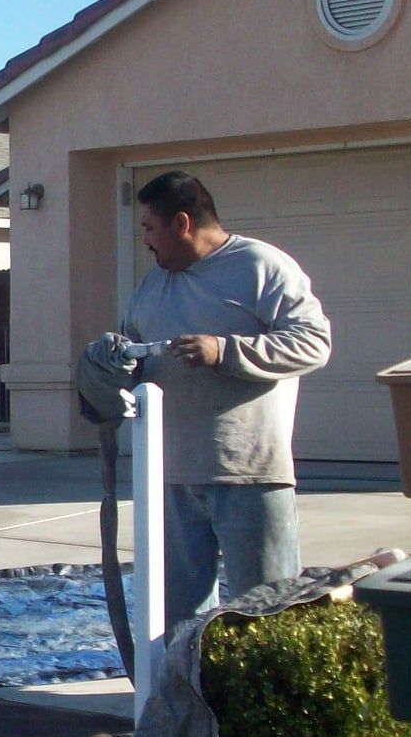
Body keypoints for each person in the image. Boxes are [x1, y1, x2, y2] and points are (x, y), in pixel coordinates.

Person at [84, 170, 332, 626]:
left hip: (249, 474)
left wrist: (226, 351)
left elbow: (314, 343)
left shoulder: (261, 266)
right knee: (176, 621)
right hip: (171, 477)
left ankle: (261, 698)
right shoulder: (152, 286)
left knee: (267, 613)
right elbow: (134, 357)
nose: (145, 241)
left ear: (181, 224)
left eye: (149, 228)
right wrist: (112, 362)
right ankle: (185, 697)